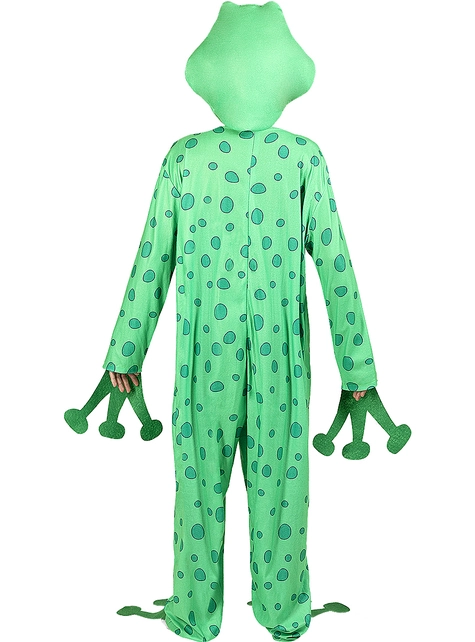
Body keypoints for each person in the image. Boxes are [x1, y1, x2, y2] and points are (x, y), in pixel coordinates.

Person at [102, 3, 376, 640]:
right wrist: (358, 369)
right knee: (282, 487)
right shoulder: (303, 157)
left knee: (197, 485)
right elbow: (336, 266)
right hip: (282, 358)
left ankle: (195, 611)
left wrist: (126, 351)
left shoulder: (185, 158)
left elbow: (152, 260)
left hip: (206, 355)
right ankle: (283, 609)